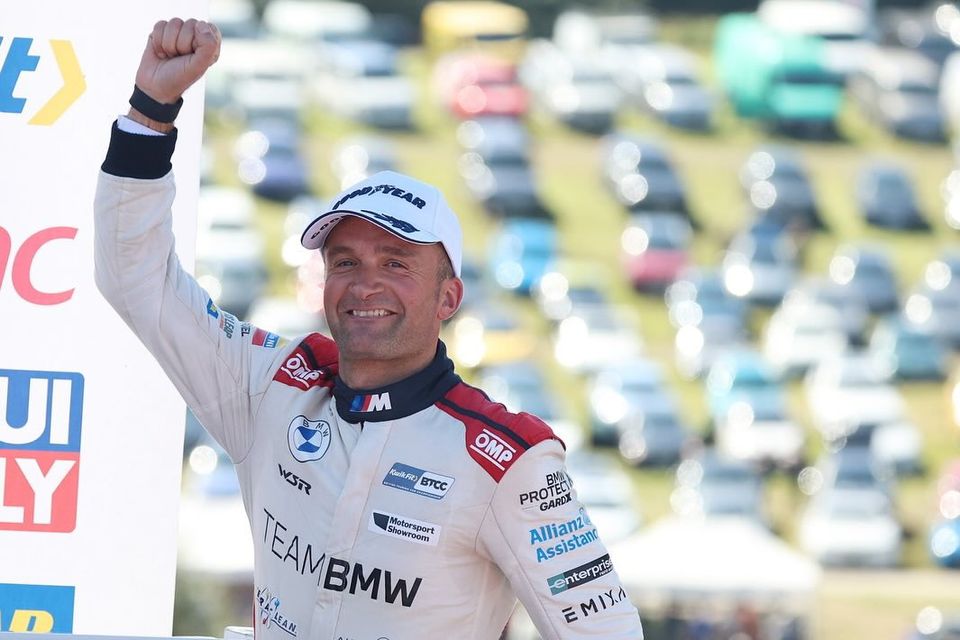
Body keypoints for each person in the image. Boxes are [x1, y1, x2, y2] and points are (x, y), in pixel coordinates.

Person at [94, 18, 644, 640]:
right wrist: (150, 111)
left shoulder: (509, 462)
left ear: (449, 296)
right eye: (346, 261)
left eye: (397, 263)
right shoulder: (271, 387)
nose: (365, 284)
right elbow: (135, 280)